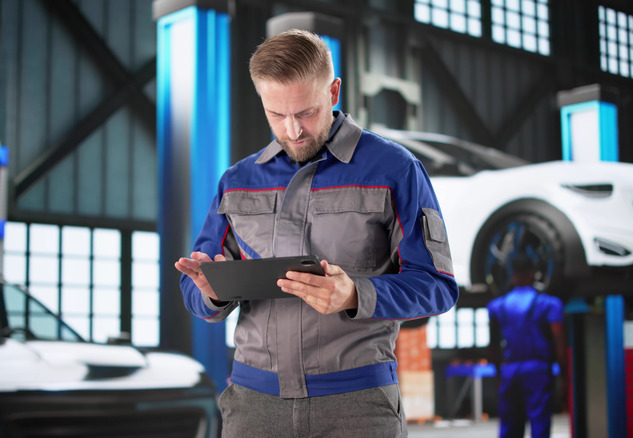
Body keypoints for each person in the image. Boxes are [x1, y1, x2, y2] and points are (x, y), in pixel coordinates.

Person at [174, 29, 459, 437]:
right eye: (277, 114)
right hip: (253, 407)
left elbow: (438, 286)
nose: (292, 131)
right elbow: (196, 293)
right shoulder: (237, 182)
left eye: (305, 112)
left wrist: (355, 294)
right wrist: (210, 290)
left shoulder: (395, 170)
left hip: (358, 407)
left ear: (334, 92)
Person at [487, 254, 568, 438]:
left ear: (513, 274)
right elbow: (559, 341)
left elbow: (493, 345)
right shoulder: (548, 304)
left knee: (509, 427)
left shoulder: (497, 306)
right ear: (533, 273)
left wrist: (499, 374)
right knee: (540, 424)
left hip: (509, 371)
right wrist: (565, 376)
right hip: (537, 371)